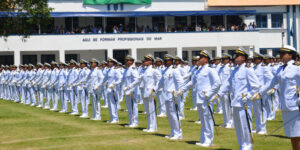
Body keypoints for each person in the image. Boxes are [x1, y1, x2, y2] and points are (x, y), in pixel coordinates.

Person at [253, 45, 300, 150]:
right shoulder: (280, 68)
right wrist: (260, 93)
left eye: (284, 54)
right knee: (292, 134)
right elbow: (271, 83)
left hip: (296, 106)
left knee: (298, 134)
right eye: (281, 53)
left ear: (291, 55)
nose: (281, 56)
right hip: (285, 105)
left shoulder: (297, 67)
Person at [219, 47, 260, 150]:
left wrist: (248, 97)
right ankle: (242, 145)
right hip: (235, 102)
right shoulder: (234, 70)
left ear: (243, 58)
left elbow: (256, 86)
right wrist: (219, 94)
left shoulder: (248, 70)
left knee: (245, 126)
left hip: (244, 104)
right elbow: (227, 83)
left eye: (238, 56)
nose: (235, 57)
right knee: (238, 127)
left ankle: (248, 146)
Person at [181, 50, 221, 147]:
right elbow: (192, 82)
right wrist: (182, 89)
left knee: (208, 119)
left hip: (206, 98)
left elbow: (218, 83)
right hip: (199, 98)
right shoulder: (199, 70)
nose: (199, 59)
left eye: (201, 57)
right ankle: (203, 140)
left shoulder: (210, 70)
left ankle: (209, 141)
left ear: (206, 59)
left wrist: (209, 93)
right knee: (203, 120)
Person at [127, 54, 162, 132]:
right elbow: (138, 80)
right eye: (145, 60)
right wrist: (130, 86)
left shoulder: (154, 69)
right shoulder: (145, 70)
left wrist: (154, 89)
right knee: (148, 110)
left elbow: (160, 80)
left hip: (151, 92)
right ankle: (149, 126)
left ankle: (153, 127)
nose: (145, 61)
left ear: (151, 61)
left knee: (151, 110)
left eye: (146, 60)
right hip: (145, 92)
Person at [156, 54, 184, 140]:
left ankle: (178, 133)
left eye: (168, 61)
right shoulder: (164, 71)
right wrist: (154, 89)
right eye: (165, 61)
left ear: (171, 61)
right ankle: (173, 131)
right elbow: (160, 83)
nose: (166, 62)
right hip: (166, 95)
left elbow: (180, 82)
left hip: (173, 95)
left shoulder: (174, 70)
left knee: (174, 114)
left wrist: (179, 91)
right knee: (169, 114)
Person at [102, 57, 122, 123]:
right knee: (110, 104)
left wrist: (114, 84)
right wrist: (99, 85)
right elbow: (104, 79)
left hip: (113, 89)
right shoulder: (109, 70)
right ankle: (112, 118)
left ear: (113, 63)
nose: (108, 63)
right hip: (109, 89)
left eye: (110, 62)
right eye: (108, 62)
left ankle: (115, 118)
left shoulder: (115, 70)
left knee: (113, 104)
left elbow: (120, 79)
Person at [123, 55, 140, 127]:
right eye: (126, 61)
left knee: (134, 107)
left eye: (128, 60)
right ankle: (131, 121)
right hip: (127, 91)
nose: (127, 62)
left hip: (132, 91)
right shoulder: (126, 70)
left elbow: (137, 80)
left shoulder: (133, 69)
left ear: (132, 62)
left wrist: (131, 88)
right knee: (129, 107)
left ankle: (134, 122)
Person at [218, 53, 234, 129]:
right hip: (221, 90)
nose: (223, 61)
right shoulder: (221, 68)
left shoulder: (231, 68)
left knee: (228, 107)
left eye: (225, 59)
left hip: (228, 90)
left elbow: (231, 80)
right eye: (222, 59)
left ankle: (230, 122)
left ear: (228, 60)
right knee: (224, 107)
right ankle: (225, 121)